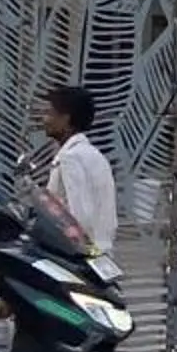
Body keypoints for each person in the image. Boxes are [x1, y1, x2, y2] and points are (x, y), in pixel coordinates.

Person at [42, 83, 120, 277]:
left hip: (82, 261)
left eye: (50, 113)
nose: (44, 120)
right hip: (100, 256)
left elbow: (79, 217)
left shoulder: (71, 157)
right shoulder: (92, 154)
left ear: (66, 118)